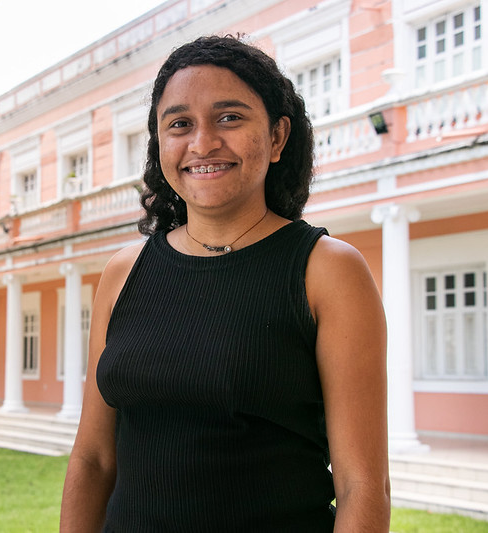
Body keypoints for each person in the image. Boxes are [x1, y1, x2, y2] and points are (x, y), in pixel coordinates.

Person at [60, 35, 390, 532]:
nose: (202, 142)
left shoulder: (328, 270)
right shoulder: (122, 272)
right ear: (159, 143)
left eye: (230, 118)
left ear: (278, 137)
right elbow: (93, 460)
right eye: (179, 124)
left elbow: (361, 485)